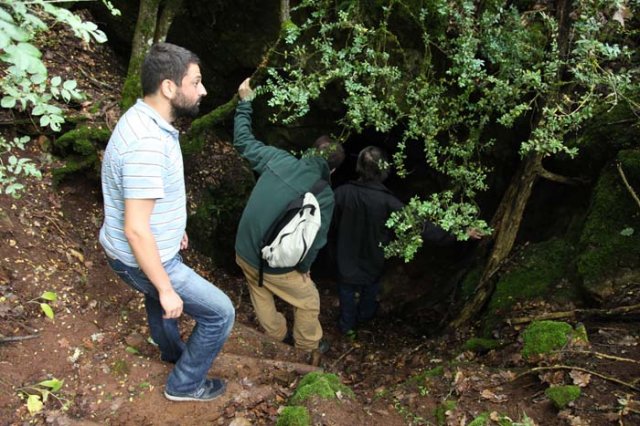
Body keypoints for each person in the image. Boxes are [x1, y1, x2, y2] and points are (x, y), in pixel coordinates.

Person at [99, 42, 235, 402]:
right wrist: (165, 287)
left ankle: (172, 354)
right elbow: (136, 229)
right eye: (196, 82)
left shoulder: (145, 119)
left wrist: (174, 229)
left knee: (157, 297)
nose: (203, 90)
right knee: (221, 314)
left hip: (146, 247)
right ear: (169, 87)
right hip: (140, 255)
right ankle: (184, 384)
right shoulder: (147, 144)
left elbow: (144, 201)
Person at [233, 77, 345, 360]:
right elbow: (316, 239)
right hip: (271, 263)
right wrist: (304, 268)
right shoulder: (324, 194)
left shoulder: (277, 159)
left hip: (243, 248)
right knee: (308, 299)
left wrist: (245, 103)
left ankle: (275, 334)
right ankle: (306, 348)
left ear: (309, 152)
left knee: (258, 287)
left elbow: (243, 141)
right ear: (332, 171)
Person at [332, 146, 483, 334]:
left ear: (359, 167)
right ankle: (364, 320)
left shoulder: (342, 193)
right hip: (374, 261)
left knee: (347, 290)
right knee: (369, 289)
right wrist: (460, 232)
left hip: (345, 258)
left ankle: (347, 327)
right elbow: (420, 226)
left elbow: (325, 221)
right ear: (385, 170)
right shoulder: (388, 201)